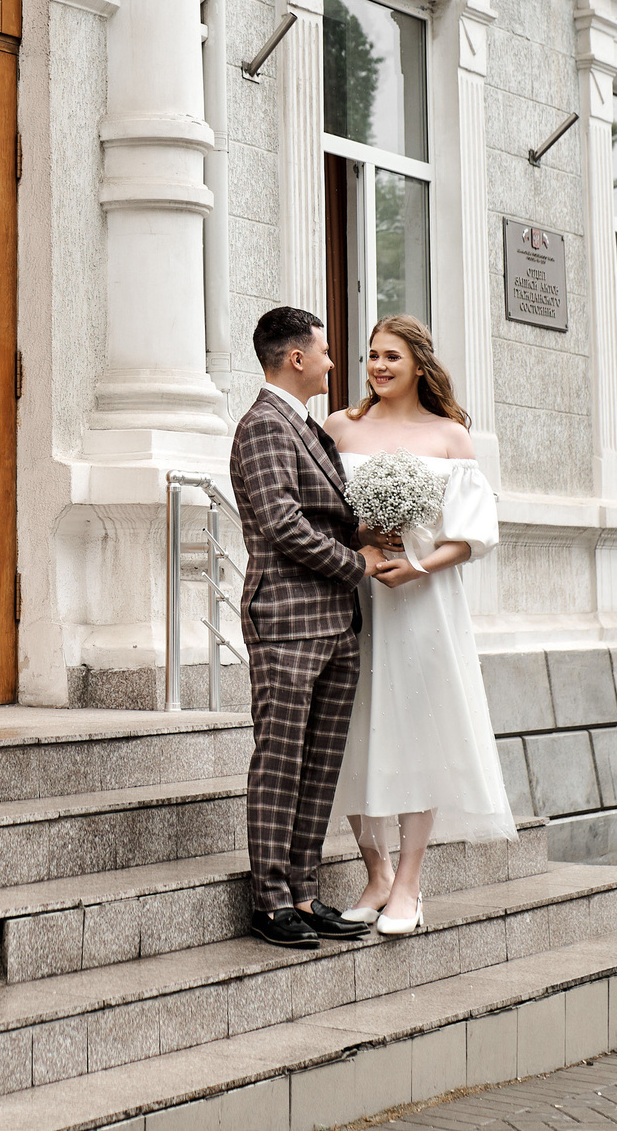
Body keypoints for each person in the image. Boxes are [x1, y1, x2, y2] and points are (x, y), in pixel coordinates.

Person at [227, 306, 421, 950]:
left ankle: (304, 893)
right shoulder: (262, 426)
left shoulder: (306, 427)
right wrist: (355, 561)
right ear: (296, 359)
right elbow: (282, 525)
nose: (337, 363)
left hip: (335, 619)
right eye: (327, 351)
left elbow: (325, 514)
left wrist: (367, 532)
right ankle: (270, 901)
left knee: (320, 762)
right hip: (287, 616)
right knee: (281, 761)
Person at [324, 314, 516, 936]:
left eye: (391, 357)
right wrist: (362, 539)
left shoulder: (451, 437)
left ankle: (409, 883)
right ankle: (375, 870)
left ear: (419, 365)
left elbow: (474, 535)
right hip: (354, 596)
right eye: (371, 356)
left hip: (422, 600)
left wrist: (417, 564)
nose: (378, 367)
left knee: (418, 730)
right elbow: (319, 515)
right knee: (347, 728)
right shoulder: (338, 429)